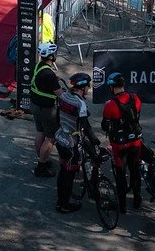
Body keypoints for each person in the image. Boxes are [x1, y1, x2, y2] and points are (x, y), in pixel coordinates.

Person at [54, 72, 101, 213]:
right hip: (71, 143)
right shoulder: (80, 103)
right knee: (69, 175)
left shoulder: (63, 96)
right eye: (88, 86)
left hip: (60, 138)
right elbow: (86, 126)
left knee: (63, 171)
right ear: (83, 87)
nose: (89, 88)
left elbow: (58, 116)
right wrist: (95, 141)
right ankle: (64, 205)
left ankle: (60, 200)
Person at [101, 72, 143, 213]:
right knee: (135, 170)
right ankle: (137, 199)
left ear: (112, 87)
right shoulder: (135, 98)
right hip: (135, 141)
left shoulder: (110, 104)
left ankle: (123, 206)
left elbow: (104, 126)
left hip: (119, 145)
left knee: (120, 174)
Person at [31, 42, 63, 178]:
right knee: (50, 138)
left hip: (35, 106)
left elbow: (42, 80)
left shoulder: (39, 66)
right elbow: (60, 94)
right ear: (51, 56)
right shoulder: (49, 75)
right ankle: (42, 165)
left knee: (40, 132)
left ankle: (41, 158)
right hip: (47, 109)